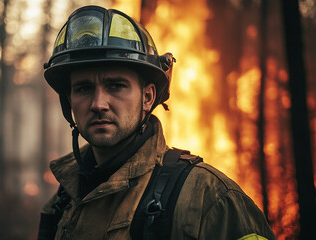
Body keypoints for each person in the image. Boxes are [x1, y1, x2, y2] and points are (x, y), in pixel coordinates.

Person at [38, 5, 276, 240]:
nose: (98, 103)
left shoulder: (210, 199)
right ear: (70, 101)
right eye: (84, 88)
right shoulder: (63, 201)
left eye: (116, 86)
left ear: (148, 97)